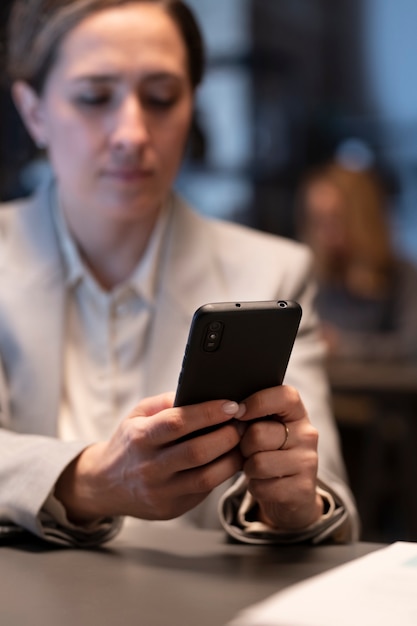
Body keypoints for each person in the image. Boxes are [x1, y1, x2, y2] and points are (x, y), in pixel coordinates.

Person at [0, 0, 359, 547]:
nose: (132, 133)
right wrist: (93, 481)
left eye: (162, 98)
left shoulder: (270, 273)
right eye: (95, 97)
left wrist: (293, 504)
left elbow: (326, 499)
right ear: (33, 111)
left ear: (192, 105)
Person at [295, 160, 417, 362]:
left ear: (361, 216)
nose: (327, 234)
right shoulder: (311, 275)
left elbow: (411, 346)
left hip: (384, 390)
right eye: (318, 221)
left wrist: (342, 345)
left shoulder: (401, 275)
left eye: (336, 219)